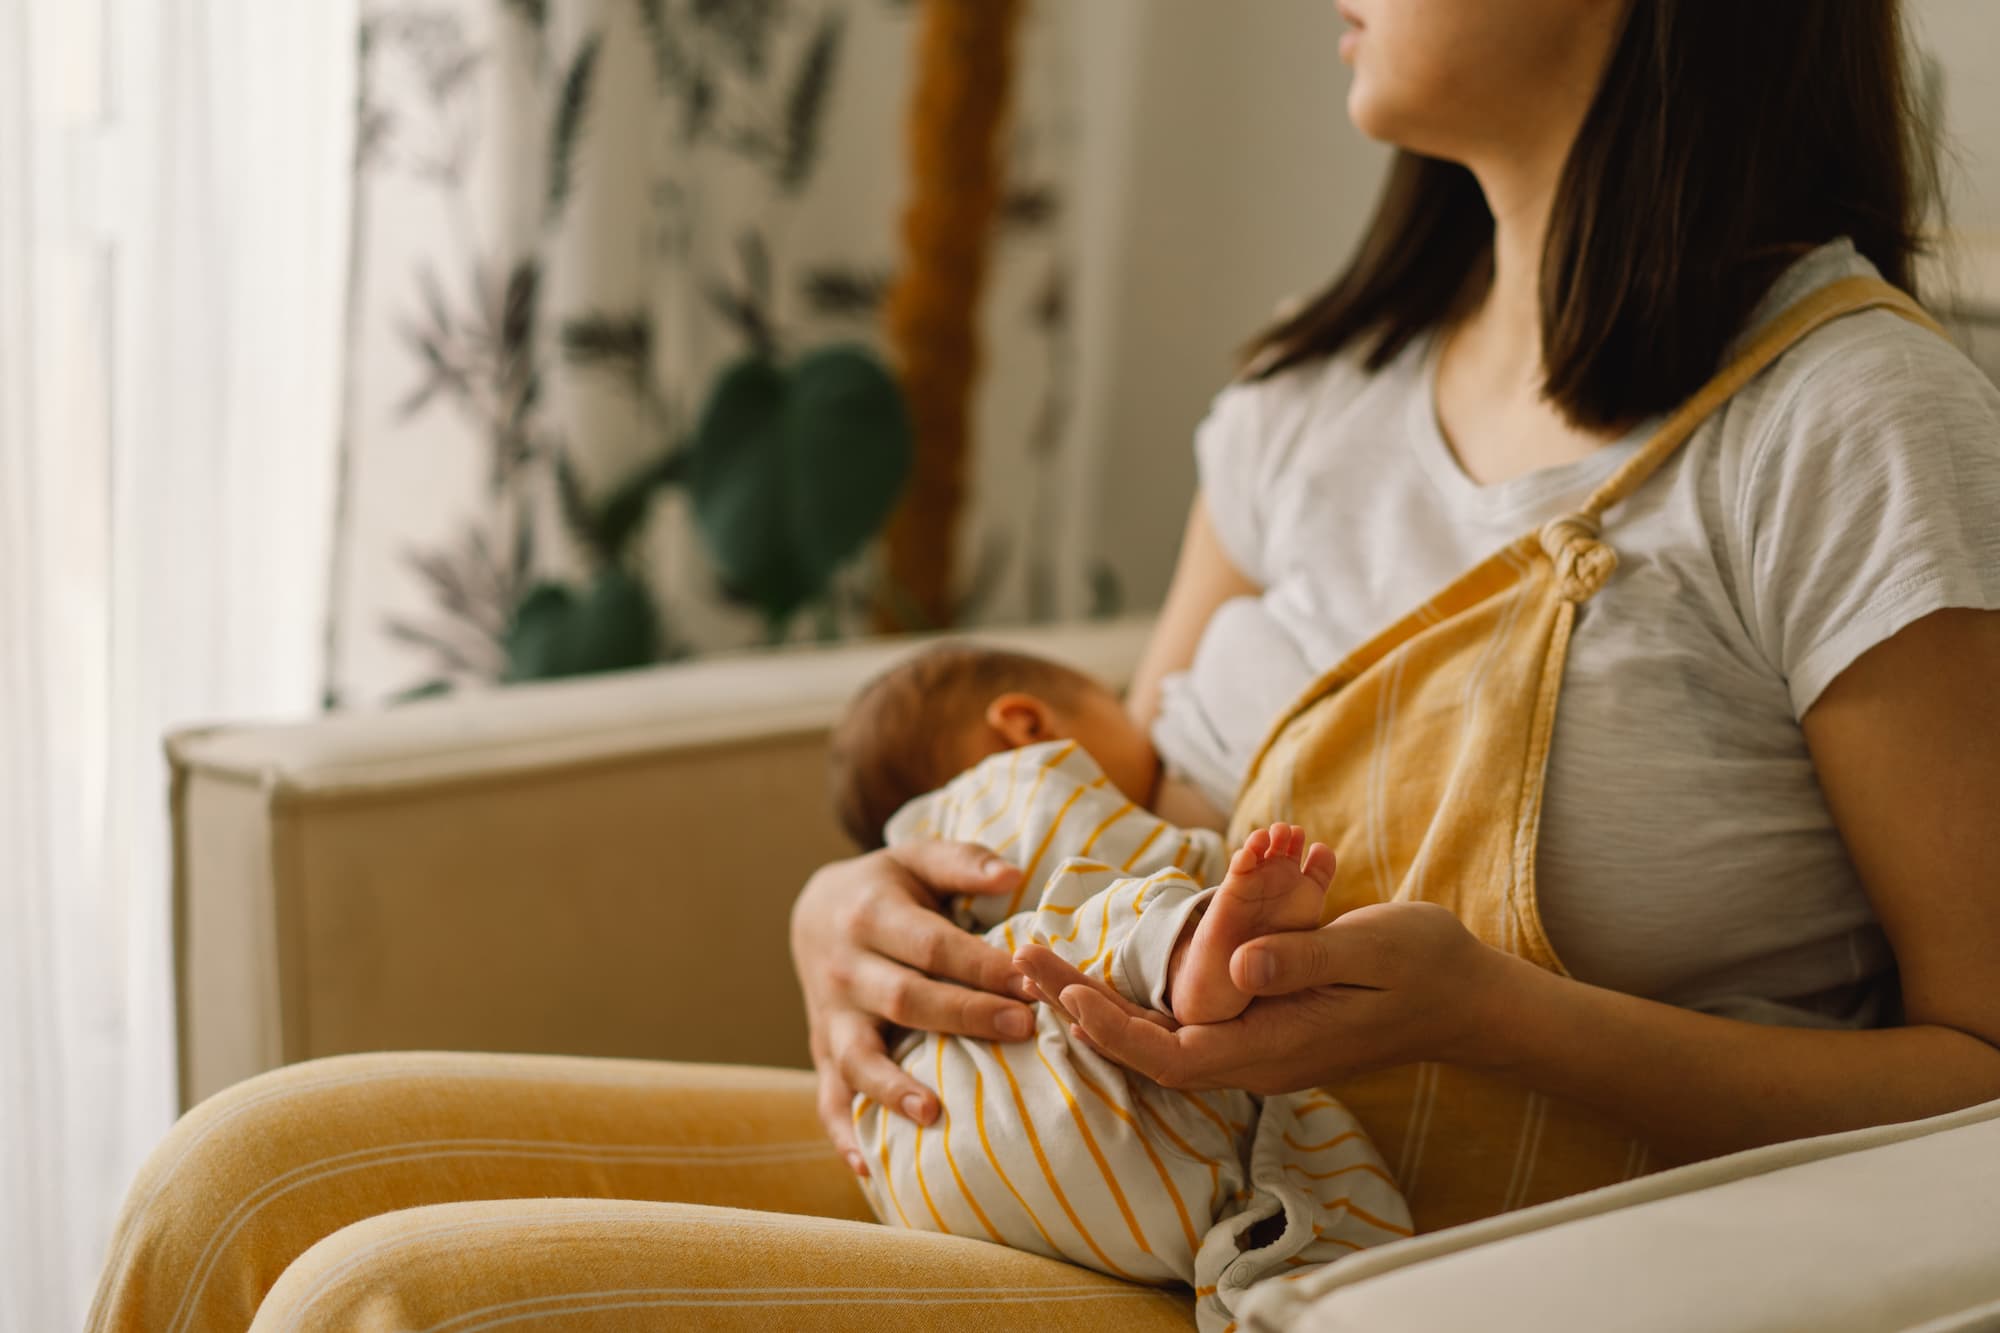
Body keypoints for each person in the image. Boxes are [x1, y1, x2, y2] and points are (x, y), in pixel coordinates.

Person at [90, 3, 2000, 1329]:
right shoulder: (1310, 390)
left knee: (386, 1304)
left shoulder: (1848, 424)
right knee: (233, 1175)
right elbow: (1117, 796)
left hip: (1377, 1256)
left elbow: (1981, 1080)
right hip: (1093, 1154)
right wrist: (868, 910)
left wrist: (1484, 1015)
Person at [827, 644, 1411, 1329]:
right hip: (1081, 1098)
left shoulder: (913, 874)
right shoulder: (1018, 782)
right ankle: (1190, 953)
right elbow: (1113, 864)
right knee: (1116, 908)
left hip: (925, 1168)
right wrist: (1200, 872)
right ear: (1025, 723)